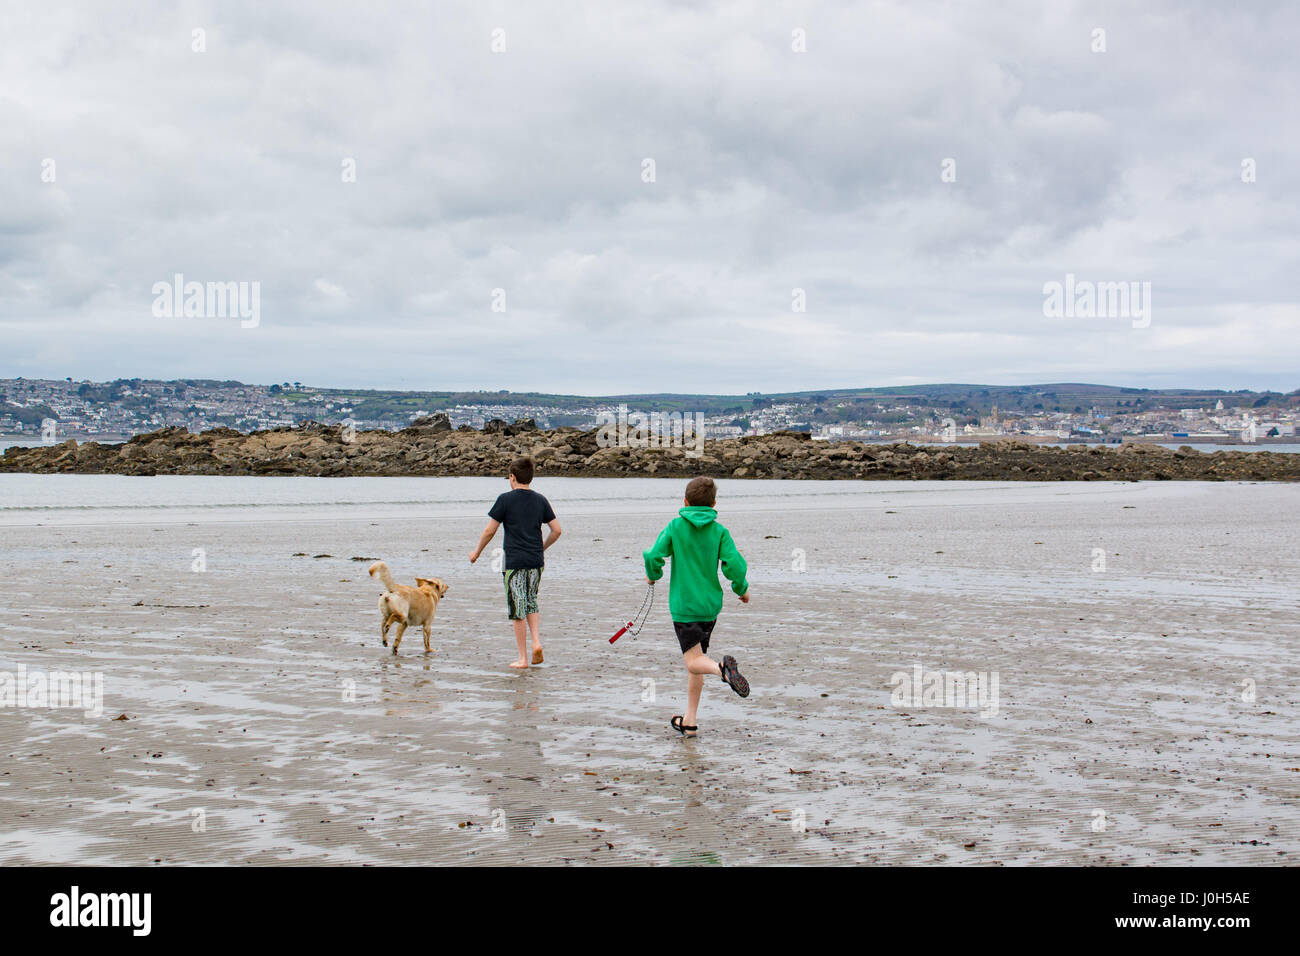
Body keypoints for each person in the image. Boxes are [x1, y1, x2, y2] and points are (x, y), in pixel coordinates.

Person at [643, 476, 750, 737]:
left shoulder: (676, 526)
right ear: (714, 503)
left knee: (694, 662)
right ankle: (689, 720)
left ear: (685, 502)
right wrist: (742, 589)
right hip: (710, 607)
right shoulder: (719, 531)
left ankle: (722, 671)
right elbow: (733, 564)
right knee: (698, 656)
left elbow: (653, 554)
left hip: (685, 606)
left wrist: (653, 574)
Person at [469, 456, 562, 669]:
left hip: (514, 562)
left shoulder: (505, 499)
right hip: (536, 561)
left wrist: (476, 552)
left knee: (517, 607)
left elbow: (489, 531)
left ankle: (522, 658)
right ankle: (536, 642)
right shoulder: (541, 500)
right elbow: (557, 530)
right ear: (531, 477)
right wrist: (542, 547)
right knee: (531, 601)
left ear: (512, 477)